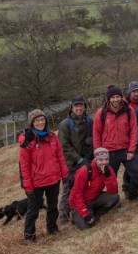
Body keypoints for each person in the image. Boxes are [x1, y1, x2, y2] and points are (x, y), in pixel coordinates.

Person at [18, 109, 68, 241]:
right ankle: (29, 236)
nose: (40, 122)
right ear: (32, 123)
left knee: (52, 206)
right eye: (37, 120)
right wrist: (28, 186)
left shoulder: (52, 136)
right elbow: (24, 165)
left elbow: (60, 157)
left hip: (53, 178)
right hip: (37, 182)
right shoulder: (27, 140)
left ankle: (52, 228)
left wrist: (64, 174)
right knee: (33, 210)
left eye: (42, 119)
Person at [93, 84, 138, 200]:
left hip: (126, 150)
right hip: (109, 152)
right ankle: (114, 199)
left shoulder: (129, 110)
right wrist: (99, 153)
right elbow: (96, 134)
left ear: (121, 97)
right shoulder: (101, 113)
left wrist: (131, 150)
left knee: (137, 173)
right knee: (110, 178)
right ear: (108, 99)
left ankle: (132, 194)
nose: (115, 99)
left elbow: (134, 131)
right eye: (113, 97)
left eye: (117, 96)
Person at [57, 96, 93, 224]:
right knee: (68, 188)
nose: (79, 108)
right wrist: (79, 160)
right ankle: (63, 215)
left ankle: (78, 210)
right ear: (72, 108)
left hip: (85, 160)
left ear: (84, 107)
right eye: (76, 106)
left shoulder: (89, 121)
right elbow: (64, 146)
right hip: (71, 163)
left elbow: (91, 141)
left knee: (84, 186)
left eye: (81, 106)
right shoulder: (65, 124)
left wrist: (87, 159)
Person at [69, 147, 120, 230]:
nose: (104, 162)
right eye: (101, 160)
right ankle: (75, 215)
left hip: (95, 199)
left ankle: (94, 214)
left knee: (115, 197)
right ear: (95, 160)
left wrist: (108, 177)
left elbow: (113, 191)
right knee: (86, 226)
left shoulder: (109, 170)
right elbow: (76, 195)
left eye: (106, 159)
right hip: (80, 203)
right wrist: (85, 214)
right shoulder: (84, 170)